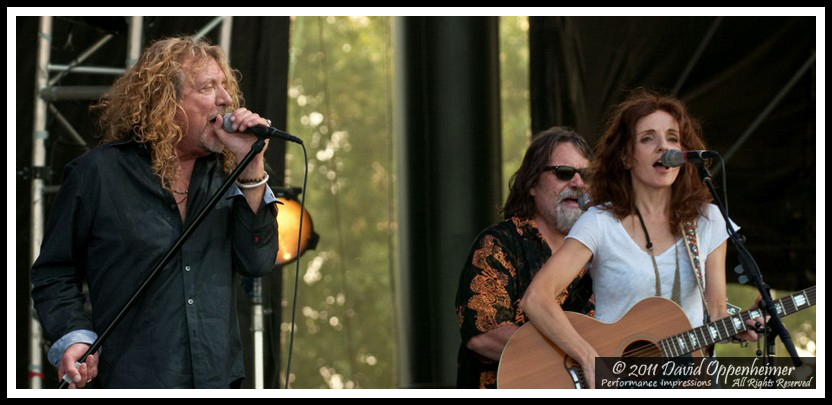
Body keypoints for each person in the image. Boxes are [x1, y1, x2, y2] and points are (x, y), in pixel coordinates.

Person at [30, 37, 280, 388]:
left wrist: (252, 167)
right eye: (209, 86)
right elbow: (54, 273)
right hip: (131, 379)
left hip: (217, 381)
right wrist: (75, 336)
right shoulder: (97, 174)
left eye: (225, 86)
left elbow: (258, 262)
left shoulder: (228, 175)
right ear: (166, 102)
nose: (225, 99)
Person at [521, 88, 762, 389]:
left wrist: (743, 324)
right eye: (648, 138)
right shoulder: (600, 222)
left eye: (672, 138)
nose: (664, 147)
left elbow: (716, 313)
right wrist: (587, 356)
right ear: (625, 157)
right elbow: (537, 298)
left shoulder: (707, 220)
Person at [455, 127, 595, 388]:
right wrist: (578, 355)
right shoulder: (500, 243)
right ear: (532, 183)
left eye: (586, 175)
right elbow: (483, 335)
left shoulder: (601, 254)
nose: (578, 183)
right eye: (564, 173)